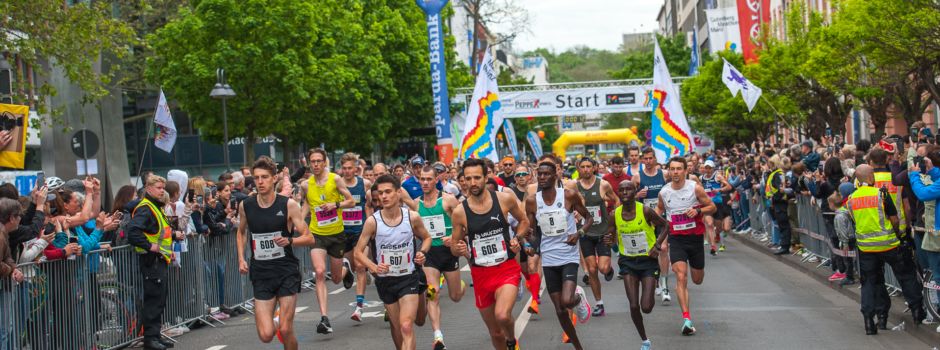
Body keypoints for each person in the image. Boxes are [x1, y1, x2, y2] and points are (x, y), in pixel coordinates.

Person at [235, 156, 316, 349]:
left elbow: (309, 237)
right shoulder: (246, 205)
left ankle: (283, 321)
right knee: (266, 335)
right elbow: (241, 232)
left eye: (264, 177)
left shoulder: (288, 205)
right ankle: (277, 318)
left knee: (287, 330)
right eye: (256, 178)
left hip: (285, 271)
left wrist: (289, 240)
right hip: (261, 273)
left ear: (274, 179)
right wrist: (240, 258)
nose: (260, 182)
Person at [450, 158, 529, 350]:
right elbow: (454, 245)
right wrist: (458, 249)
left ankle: (511, 340)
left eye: (477, 177)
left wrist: (517, 238)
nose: (473, 183)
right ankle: (505, 341)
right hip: (481, 274)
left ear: (486, 177)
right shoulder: (460, 212)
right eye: (468, 179)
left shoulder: (504, 199)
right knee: (494, 332)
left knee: (502, 315)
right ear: (463, 181)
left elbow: (524, 221)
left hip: (506, 268)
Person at [354, 174, 433, 350]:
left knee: (408, 325)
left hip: (409, 276)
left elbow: (427, 238)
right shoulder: (372, 222)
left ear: (398, 193)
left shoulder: (411, 217)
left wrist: (422, 252)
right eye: (380, 193)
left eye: (388, 192)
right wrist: (374, 267)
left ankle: (425, 298)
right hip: (386, 280)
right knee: (397, 326)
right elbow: (358, 253)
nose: (384, 196)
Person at [846, 164, 925, 334]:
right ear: (870, 177)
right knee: (906, 276)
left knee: (871, 283)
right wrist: (896, 234)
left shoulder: (851, 199)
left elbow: (854, 221)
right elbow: (895, 219)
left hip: (866, 248)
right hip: (889, 244)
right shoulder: (881, 194)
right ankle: (917, 312)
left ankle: (873, 320)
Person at [526, 161, 594, 349]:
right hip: (548, 258)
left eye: (546, 174)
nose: (542, 177)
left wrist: (579, 233)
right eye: (539, 174)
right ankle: (578, 346)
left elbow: (589, 218)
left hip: (569, 255)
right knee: (559, 310)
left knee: (567, 301)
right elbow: (533, 233)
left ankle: (578, 298)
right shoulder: (532, 201)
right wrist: (528, 245)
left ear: (555, 176)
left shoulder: (569, 196)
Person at [655, 157, 715, 335]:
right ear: (669, 171)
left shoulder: (694, 188)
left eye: (679, 169)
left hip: (695, 239)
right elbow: (659, 211)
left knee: (697, 279)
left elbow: (711, 207)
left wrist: (698, 211)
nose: (675, 172)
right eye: (672, 169)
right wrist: (651, 225)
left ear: (685, 171)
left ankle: (687, 317)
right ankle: (687, 319)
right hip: (677, 240)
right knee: (681, 276)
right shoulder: (664, 192)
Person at [606, 181, 669, 350]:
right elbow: (611, 236)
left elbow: (665, 225)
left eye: (629, 189)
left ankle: (656, 282)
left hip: (647, 262)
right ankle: (644, 340)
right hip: (628, 262)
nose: (625, 192)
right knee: (633, 305)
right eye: (622, 189)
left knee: (646, 307)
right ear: (618, 193)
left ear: (635, 192)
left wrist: (657, 245)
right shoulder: (614, 214)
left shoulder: (645, 211)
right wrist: (609, 239)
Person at [300, 148, 356, 335]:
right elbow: (307, 204)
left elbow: (351, 201)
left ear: (325, 163)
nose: (315, 164)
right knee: (319, 272)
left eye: (318, 161)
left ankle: (346, 268)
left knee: (337, 278)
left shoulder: (335, 179)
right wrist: (299, 223)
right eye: (312, 161)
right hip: (317, 234)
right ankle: (324, 318)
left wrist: (335, 204)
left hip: (337, 234)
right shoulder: (306, 185)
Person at [416, 166, 465, 350]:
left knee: (455, 297)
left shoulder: (448, 200)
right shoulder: (416, 204)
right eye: (422, 179)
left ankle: (458, 287)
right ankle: (438, 336)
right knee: (432, 292)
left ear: (436, 179)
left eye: (429, 179)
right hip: (429, 254)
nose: (425, 182)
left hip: (448, 252)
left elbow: (464, 222)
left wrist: (453, 237)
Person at [126, 175, 177, 350]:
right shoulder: (146, 208)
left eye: (163, 187)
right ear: (148, 188)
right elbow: (132, 231)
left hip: (160, 259)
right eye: (158, 187)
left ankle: (155, 335)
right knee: (153, 300)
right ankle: (150, 339)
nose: (162, 190)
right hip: (151, 260)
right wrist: (149, 246)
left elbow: (162, 233)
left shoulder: (156, 206)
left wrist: (167, 249)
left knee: (160, 299)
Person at [574, 157, 618, 317]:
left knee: (603, 268)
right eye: (583, 167)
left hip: (603, 232)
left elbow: (616, 199)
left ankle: (609, 269)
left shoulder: (603, 184)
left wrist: (614, 215)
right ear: (579, 168)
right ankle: (599, 303)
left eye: (588, 166)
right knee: (592, 270)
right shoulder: (575, 186)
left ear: (594, 168)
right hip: (586, 233)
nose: (585, 169)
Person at [633, 148, 672, 304]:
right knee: (650, 252)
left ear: (655, 159)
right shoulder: (637, 177)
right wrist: (637, 195)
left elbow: (672, 190)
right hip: (646, 221)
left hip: (661, 219)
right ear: (643, 160)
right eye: (646, 159)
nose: (648, 161)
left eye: (651, 158)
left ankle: (664, 286)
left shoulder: (664, 174)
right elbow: (627, 198)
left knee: (663, 248)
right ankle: (655, 279)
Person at [339, 153, 373, 322]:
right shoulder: (336, 185)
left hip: (360, 230)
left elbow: (371, 203)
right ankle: (348, 272)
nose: (347, 171)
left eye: (349, 168)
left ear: (356, 168)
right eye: (344, 168)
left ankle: (359, 307)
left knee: (360, 266)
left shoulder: (364, 183)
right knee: (350, 265)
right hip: (342, 231)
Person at [701, 160, 732, 255]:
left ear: (713, 168)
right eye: (706, 167)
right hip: (707, 205)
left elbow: (729, 187)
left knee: (718, 227)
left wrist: (719, 189)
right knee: (709, 224)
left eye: (709, 168)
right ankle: (713, 247)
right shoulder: (701, 178)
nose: (708, 170)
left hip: (718, 205)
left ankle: (718, 233)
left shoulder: (717, 176)